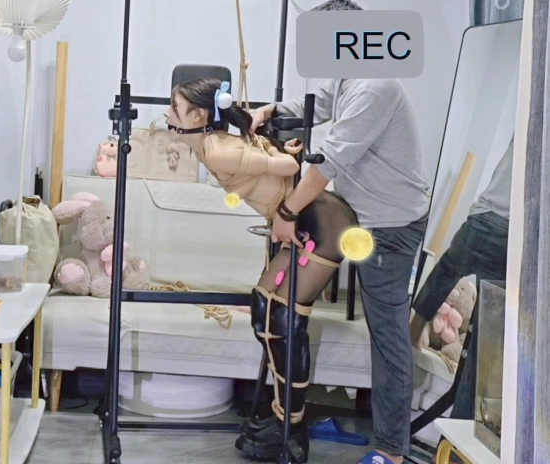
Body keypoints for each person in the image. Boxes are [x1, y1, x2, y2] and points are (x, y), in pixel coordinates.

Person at [166, 77, 362, 463]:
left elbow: (288, 165)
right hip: (308, 222)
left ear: (199, 115)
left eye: (175, 107)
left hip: (323, 225)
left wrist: (284, 156)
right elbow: (274, 163)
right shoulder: (210, 145)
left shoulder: (217, 150)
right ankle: (284, 418)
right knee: (266, 309)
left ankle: (292, 430)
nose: (167, 114)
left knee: (283, 318)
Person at [249, 76, 430, 464]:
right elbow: (317, 104)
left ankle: (391, 452)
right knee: (278, 308)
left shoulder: (377, 87)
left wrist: (287, 213)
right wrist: (269, 111)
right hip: (355, 215)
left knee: (387, 335)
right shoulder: (349, 76)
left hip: (389, 225)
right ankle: (288, 420)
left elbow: (329, 163)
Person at [410, 135, 513, 420]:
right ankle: (462, 423)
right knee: (485, 338)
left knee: (446, 270)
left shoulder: (530, 115)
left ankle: (414, 331)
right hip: (511, 235)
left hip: (484, 217)